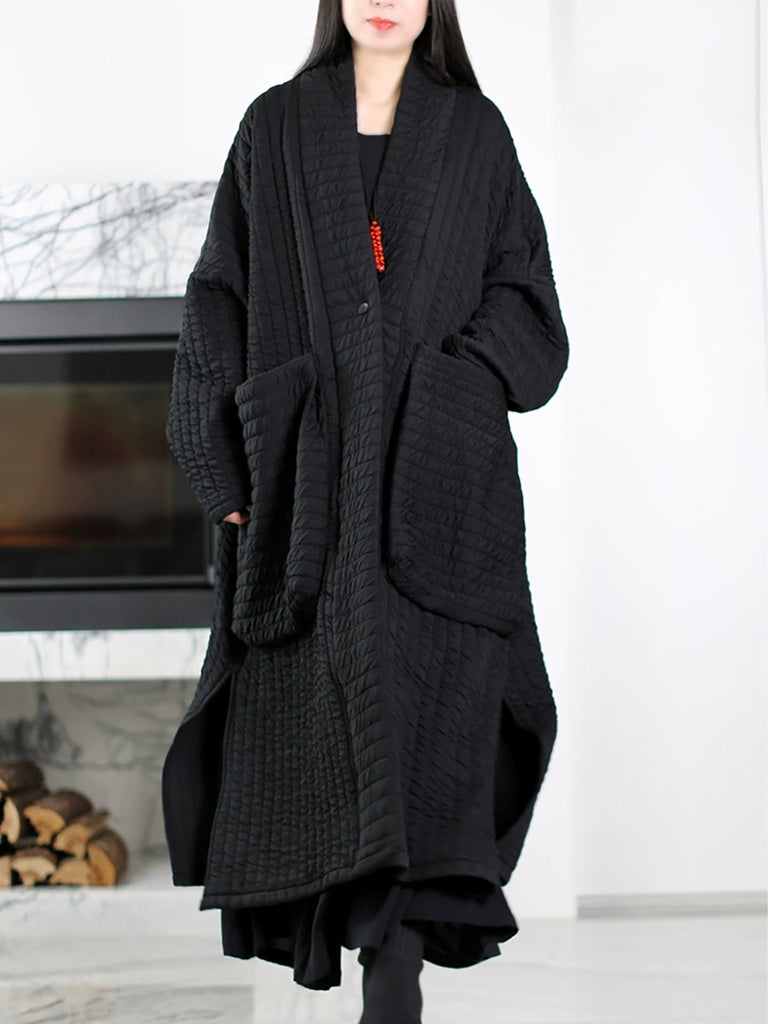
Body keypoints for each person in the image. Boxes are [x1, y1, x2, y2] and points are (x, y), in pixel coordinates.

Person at [161, 2, 569, 1022]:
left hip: (441, 480)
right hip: (307, 484)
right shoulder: (274, 126)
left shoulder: (475, 132)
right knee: (325, 710)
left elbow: (528, 299)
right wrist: (225, 470)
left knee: (433, 710)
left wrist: (454, 383)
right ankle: (379, 949)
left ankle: (397, 965)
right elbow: (217, 297)